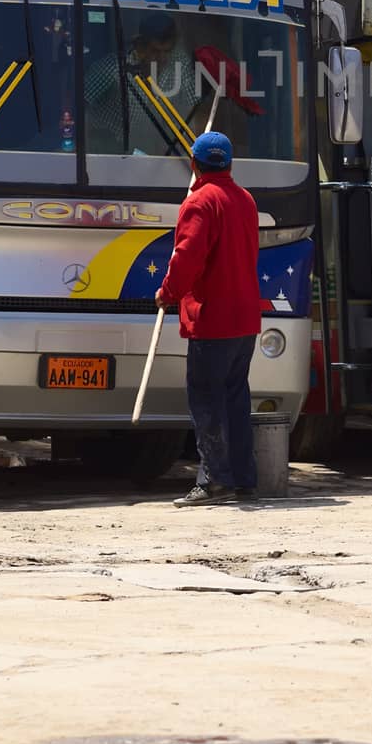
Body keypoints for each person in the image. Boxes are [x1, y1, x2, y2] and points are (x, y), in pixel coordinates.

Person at [155, 130, 261, 505]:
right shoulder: (245, 200)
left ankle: (215, 480)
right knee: (235, 398)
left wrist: (167, 292)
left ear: (195, 164)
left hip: (212, 318)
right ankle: (244, 479)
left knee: (207, 400)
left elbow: (186, 258)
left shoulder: (199, 203)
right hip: (245, 318)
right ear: (230, 163)